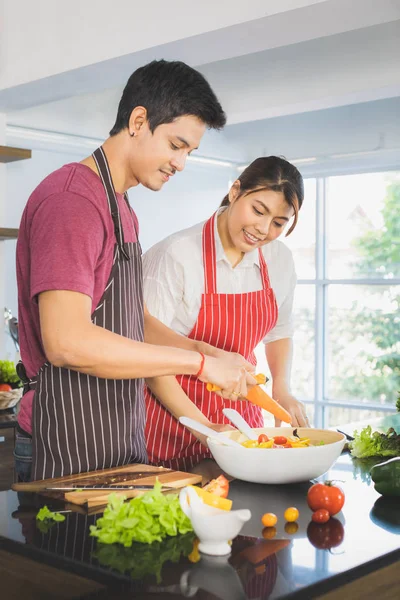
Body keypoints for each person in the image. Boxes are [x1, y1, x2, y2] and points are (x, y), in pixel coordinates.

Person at [14, 59, 256, 482]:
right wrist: (198, 366)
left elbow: (133, 323)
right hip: (64, 439)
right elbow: (66, 342)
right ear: (139, 120)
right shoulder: (72, 201)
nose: (181, 163)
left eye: (189, 152)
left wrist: (205, 352)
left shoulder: (121, 205)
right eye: (176, 145)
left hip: (117, 437)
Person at [143, 156, 309, 470]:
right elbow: (150, 358)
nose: (262, 229)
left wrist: (282, 390)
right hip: (169, 425)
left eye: (278, 223)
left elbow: (280, 332)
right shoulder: (176, 255)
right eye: (258, 210)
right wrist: (204, 428)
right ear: (235, 192)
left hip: (242, 427)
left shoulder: (279, 260)